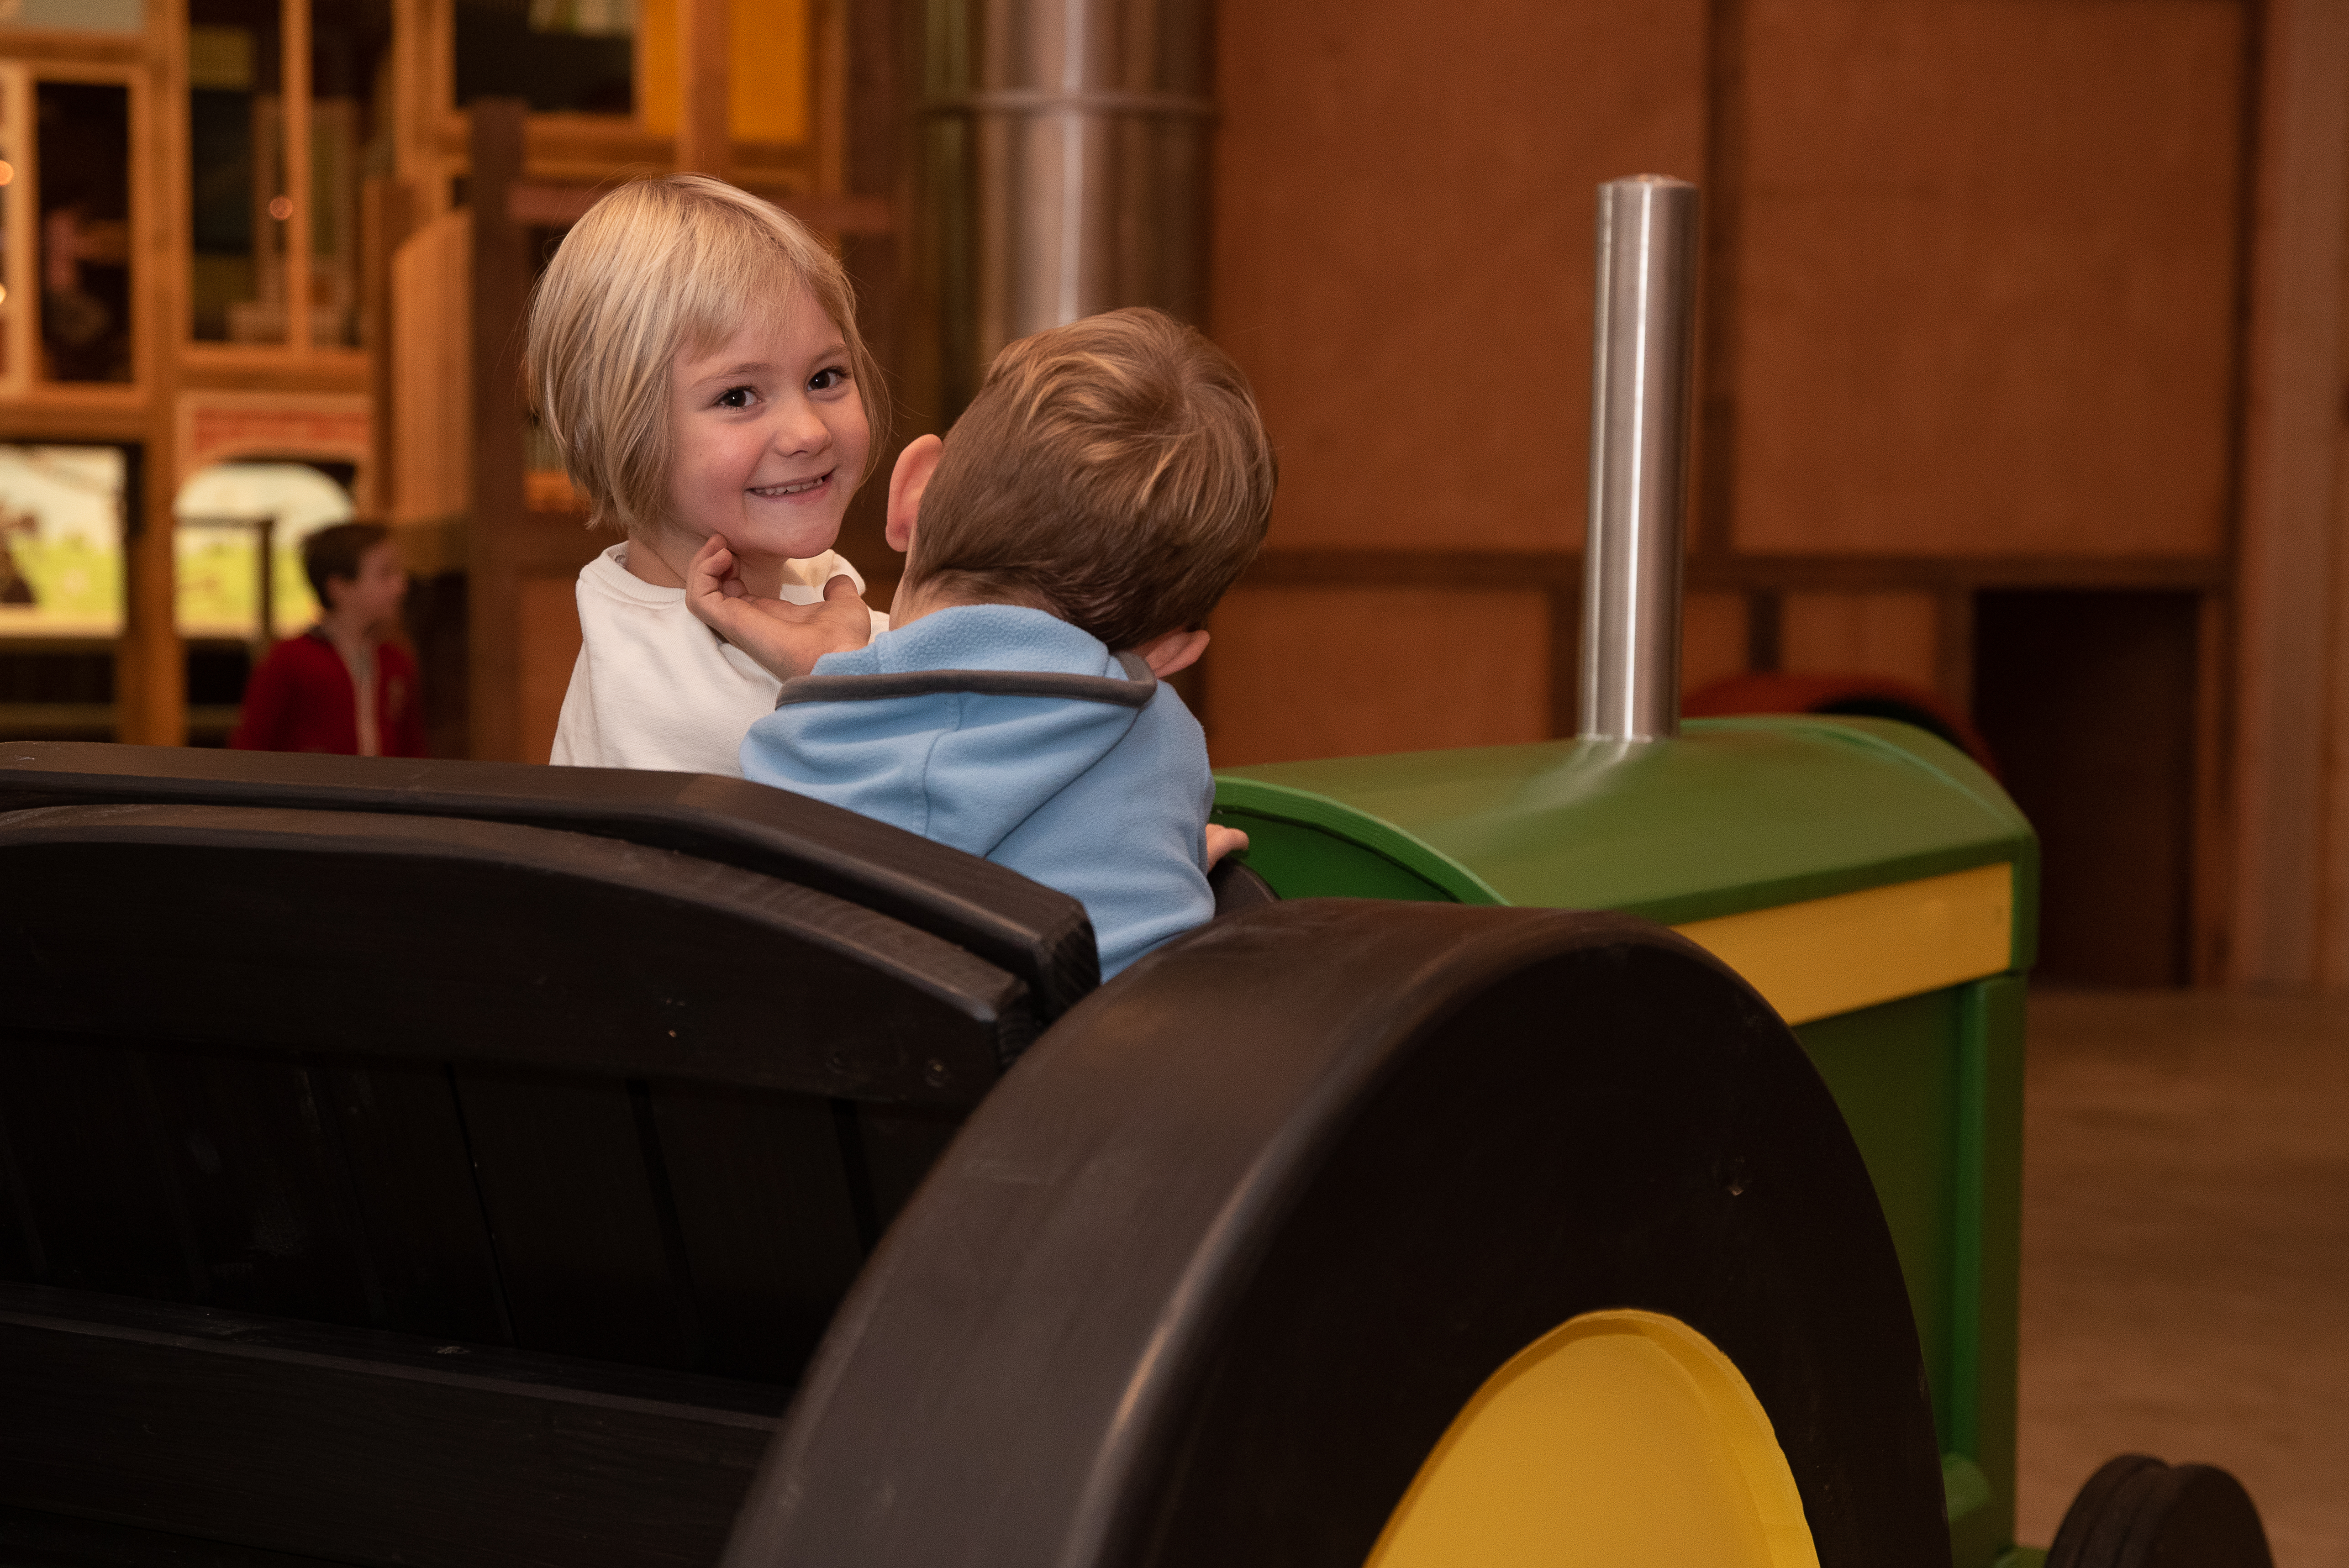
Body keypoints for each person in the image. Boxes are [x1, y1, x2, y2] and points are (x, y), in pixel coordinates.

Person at [690, 307, 1276, 978]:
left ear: (913, 490)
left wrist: (832, 677)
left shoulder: (792, 749)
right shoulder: (1162, 741)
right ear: (1172, 652)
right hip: (1110, 1072)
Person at [529, 174, 891, 774]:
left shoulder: (653, 599)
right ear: (623, 427)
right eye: (739, 396)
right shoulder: (661, 687)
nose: (809, 433)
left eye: (825, 378)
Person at [230, 521, 427, 757]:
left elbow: (412, 752)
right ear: (340, 588)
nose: (400, 586)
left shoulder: (395, 661)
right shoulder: (291, 660)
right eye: (386, 574)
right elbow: (249, 750)